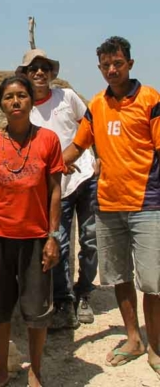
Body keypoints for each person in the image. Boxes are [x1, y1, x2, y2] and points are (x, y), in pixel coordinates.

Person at [63, 36, 160, 378]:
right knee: (119, 278)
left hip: (148, 203)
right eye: (105, 65)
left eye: (117, 63)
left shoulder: (150, 99)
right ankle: (133, 339)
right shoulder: (97, 105)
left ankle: (155, 347)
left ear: (130, 64)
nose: (112, 70)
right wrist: (48, 165)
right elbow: (77, 145)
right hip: (107, 204)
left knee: (153, 282)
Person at [0, 76, 63, 387]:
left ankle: (35, 371)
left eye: (22, 95)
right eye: (9, 97)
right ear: (1, 104)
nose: (15, 102)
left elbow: (54, 191)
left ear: (32, 101)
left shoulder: (48, 140)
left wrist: (53, 237)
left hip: (36, 238)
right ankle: (3, 370)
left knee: (37, 310)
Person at [17, 49, 98, 330]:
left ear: (51, 73)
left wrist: (98, 159)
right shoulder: (25, 109)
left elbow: (89, 127)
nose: (39, 72)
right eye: (33, 68)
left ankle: (84, 293)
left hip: (85, 178)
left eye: (44, 67)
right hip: (54, 187)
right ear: (25, 75)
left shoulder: (67, 97)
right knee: (59, 244)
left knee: (90, 240)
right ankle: (64, 299)